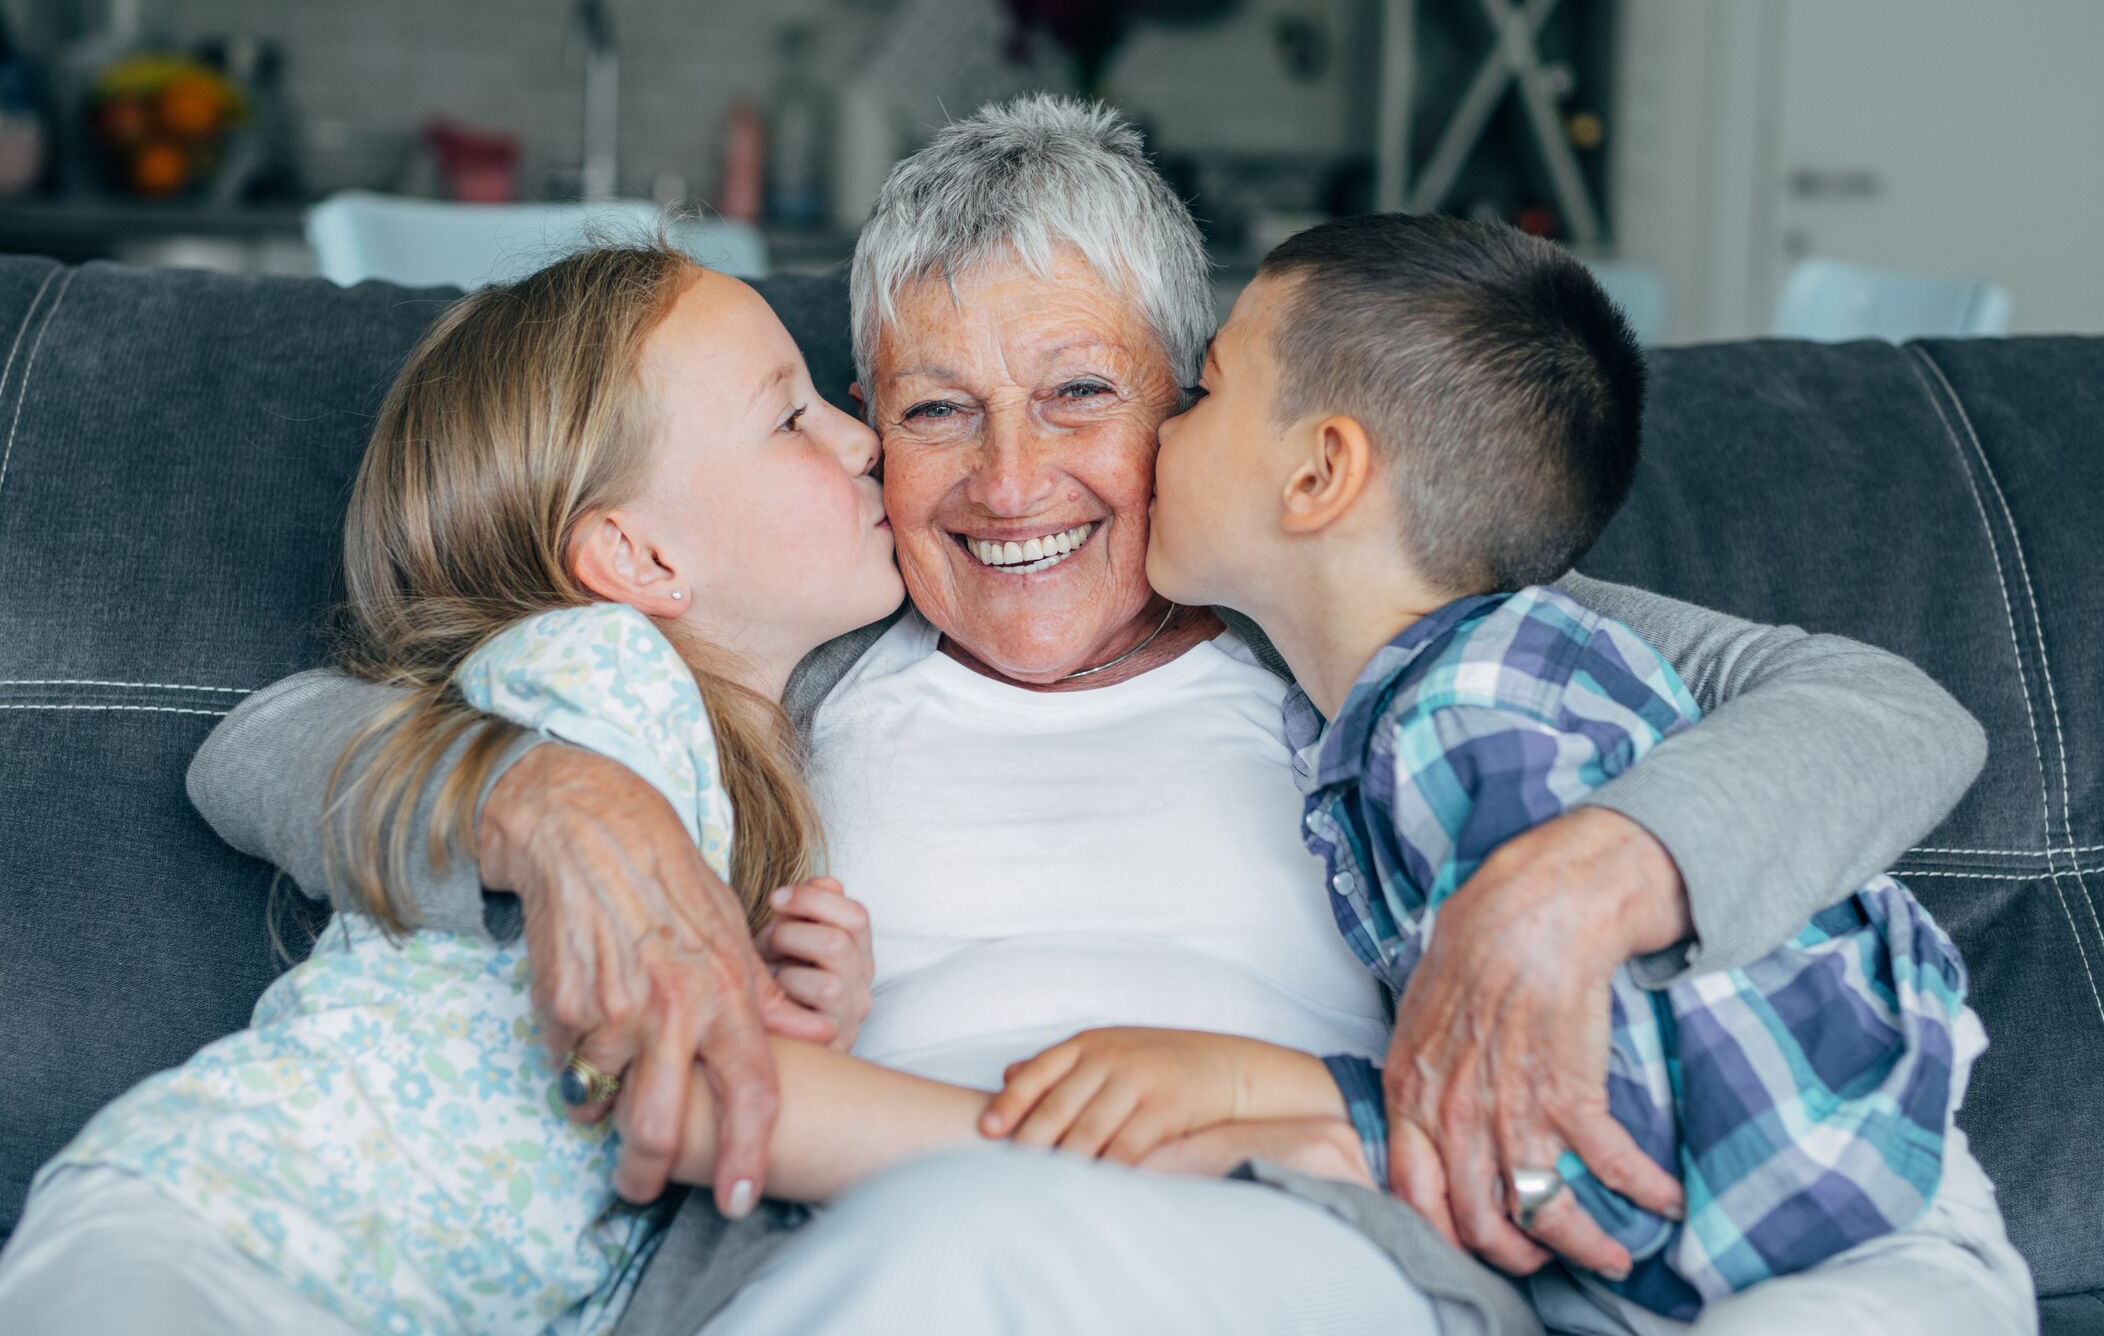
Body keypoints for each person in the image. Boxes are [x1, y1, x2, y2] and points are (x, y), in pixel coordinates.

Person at [180, 97, 2028, 1335]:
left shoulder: (1363, 630)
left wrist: (1568, 881)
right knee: (943, 1250)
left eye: (1078, 390)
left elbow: (1878, 706)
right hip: (859, 1239)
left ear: (1208, 408)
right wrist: (563, 802)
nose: (1008, 479)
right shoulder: (797, 650)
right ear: (858, 439)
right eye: (929, 411)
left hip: (1308, 1247)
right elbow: (267, 734)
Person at [986, 213, 2005, 1325]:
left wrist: (1271, 1098)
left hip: (1827, 1238)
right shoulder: (1432, 686)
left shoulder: (1465, 713)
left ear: (1321, 470)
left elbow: (1588, 1130)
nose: (1156, 437)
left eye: (1203, 393)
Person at [0, 247, 903, 1334]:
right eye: (790, 417)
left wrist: (792, 1013)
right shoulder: (596, 672)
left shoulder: (730, 782)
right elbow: (273, 748)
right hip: (233, 1228)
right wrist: (531, 792)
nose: (864, 439)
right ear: (633, 555)